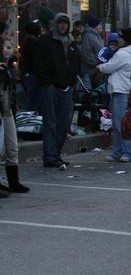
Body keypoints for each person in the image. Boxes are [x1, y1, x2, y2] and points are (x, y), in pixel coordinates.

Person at [33, 13, 80, 170]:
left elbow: (75, 62)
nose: (63, 26)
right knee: (51, 123)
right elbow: (39, 63)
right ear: (55, 24)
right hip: (51, 87)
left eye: (65, 23)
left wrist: (72, 80)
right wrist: (47, 82)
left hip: (66, 87)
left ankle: (56, 154)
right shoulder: (46, 40)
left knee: (63, 124)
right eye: (60, 23)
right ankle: (50, 156)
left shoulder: (71, 42)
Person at [98, 27, 131, 163]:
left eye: (120, 37)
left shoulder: (122, 54)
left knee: (120, 123)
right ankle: (118, 151)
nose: (118, 40)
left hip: (120, 90)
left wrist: (100, 67)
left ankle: (125, 152)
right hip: (122, 89)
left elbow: (110, 67)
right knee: (118, 122)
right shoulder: (130, 52)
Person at [0, 39, 29, 193]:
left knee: (12, 147)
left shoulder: (11, 67)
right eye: (4, 47)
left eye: (9, 47)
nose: (6, 50)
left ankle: (14, 182)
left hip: (8, 110)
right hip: (2, 109)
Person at [19, 20, 44, 112]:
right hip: (33, 74)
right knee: (35, 99)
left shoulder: (27, 40)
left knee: (33, 98)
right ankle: (31, 118)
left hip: (28, 73)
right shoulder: (34, 42)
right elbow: (36, 59)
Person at [79, 17, 104, 90]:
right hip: (89, 70)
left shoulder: (97, 35)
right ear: (95, 25)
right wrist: (95, 63)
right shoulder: (88, 36)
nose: (101, 26)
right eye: (100, 24)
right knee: (88, 91)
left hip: (96, 69)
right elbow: (86, 53)